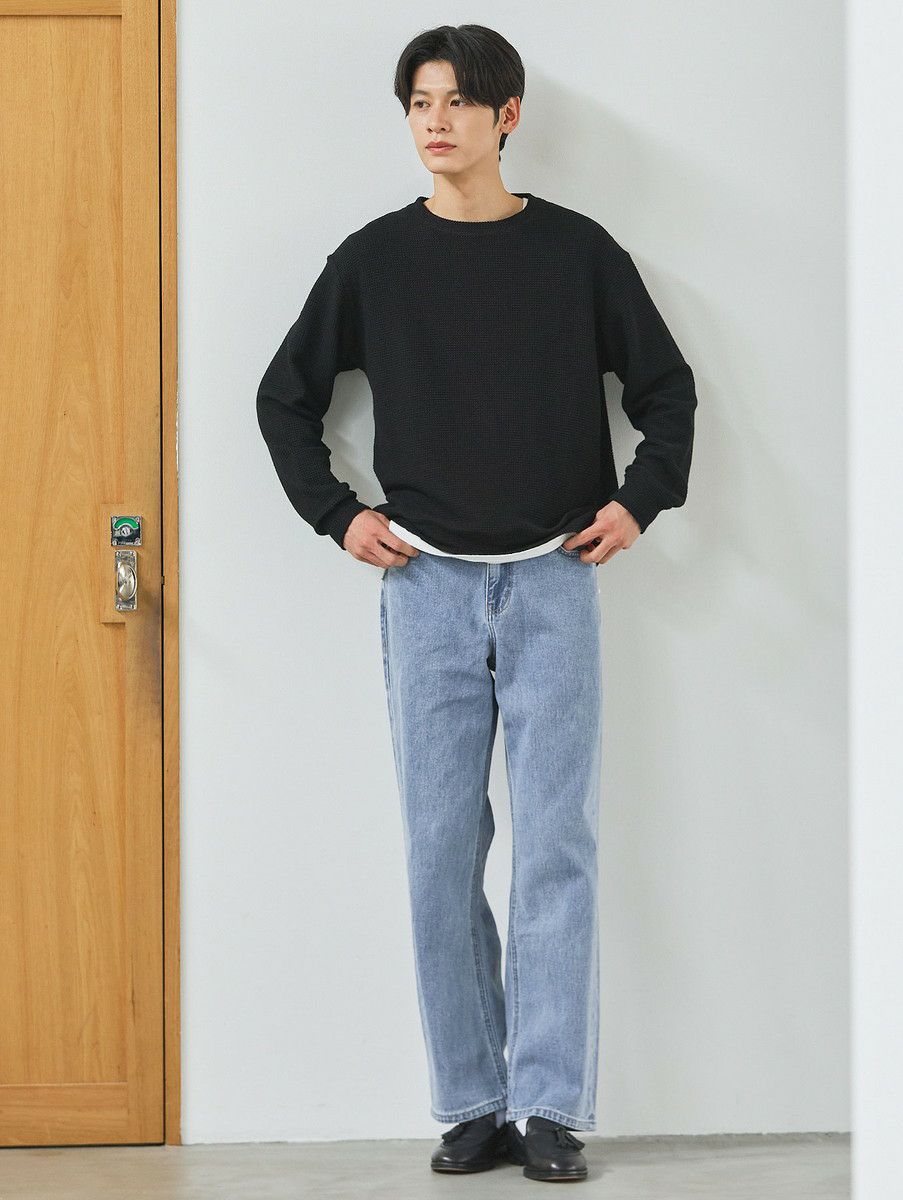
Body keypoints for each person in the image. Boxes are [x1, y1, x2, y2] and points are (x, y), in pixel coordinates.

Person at [256, 23, 697, 1185]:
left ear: (507, 116)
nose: (435, 121)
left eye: (456, 101)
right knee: (439, 855)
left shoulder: (578, 253)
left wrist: (640, 500)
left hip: (555, 577)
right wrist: (336, 514)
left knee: (557, 851)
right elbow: (283, 398)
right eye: (418, 101)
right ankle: (470, 1103)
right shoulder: (374, 261)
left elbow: (666, 389)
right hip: (425, 587)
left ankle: (548, 1109)